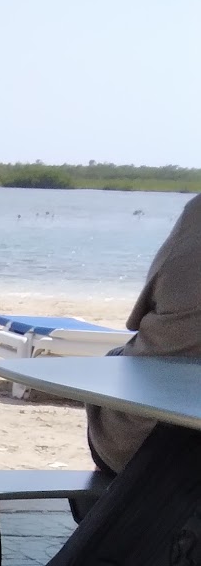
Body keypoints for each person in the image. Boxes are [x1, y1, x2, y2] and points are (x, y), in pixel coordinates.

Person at [88, 192, 201, 473]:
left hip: (139, 444)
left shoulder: (197, 213)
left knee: (117, 360)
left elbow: (138, 316)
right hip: (170, 440)